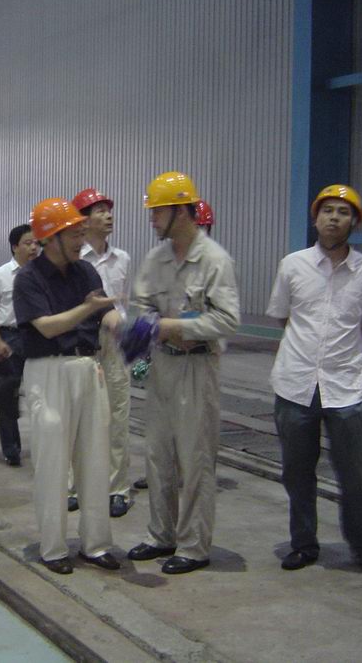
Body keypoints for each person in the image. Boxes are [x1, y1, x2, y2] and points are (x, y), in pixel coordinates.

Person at [267, 184, 362, 580]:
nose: (334, 218)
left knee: (357, 476)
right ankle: (304, 544)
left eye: (343, 212)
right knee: (297, 472)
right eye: (327, 211)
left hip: (344, 387)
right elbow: (284, 317)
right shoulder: (293, 265)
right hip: (295, 384)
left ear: (354, 222)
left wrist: (338, 355)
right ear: (315, 218)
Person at [126, 173, 239, 575]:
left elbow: (228, 320)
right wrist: (144, 325)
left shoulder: (214, 260)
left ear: (181, 211)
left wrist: (173, 326)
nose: (152, 219)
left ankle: (193, 546)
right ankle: (161, 534)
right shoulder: (155, 259)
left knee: (195, 459)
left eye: (158, 211)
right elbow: (140, 304)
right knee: (158, 455)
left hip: (197, 368)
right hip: (163, 365)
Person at [14, 197, 122, 575]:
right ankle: (54, 548)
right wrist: (88, 309)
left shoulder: (86, 272)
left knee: (95, 460)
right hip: (48, 372)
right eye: (74, 234)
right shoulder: (28, 278)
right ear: (51, 237)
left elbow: (105, 311)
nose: (81, 240)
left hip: (88, 367)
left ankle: (96, 544)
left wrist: (120, 324)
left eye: (80, 233)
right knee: (53, 464)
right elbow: (47, 327)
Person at [134, 198, 218, 492]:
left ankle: (190, 478)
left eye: (203, 229)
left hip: (198, 360)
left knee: (196, 436)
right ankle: (162, 478)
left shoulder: (214, 265)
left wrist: (182, 327)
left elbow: (220, 319)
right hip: (163, 356)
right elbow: (145, 308)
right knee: (160, 433)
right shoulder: (160, 262)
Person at [66, 187, 132, 518]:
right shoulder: (74, 260)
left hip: (115, 342)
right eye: (100, 210)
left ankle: (117, 488)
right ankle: (75, 486)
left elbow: (124, 303)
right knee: (79, 417)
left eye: (109, 210)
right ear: (83, 220)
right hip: (83, 343)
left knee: (118, 415)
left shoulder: (123, 260)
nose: (108, 216)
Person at [0, 224, 39, 466]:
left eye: (36, 243)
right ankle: (11, 450)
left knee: (39, 393)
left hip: (36, 336)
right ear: (15, 247)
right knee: (7, 397)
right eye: (28, 243)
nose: (34, 247)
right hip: (9, 337)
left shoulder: (42, 274)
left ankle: (43, 446)